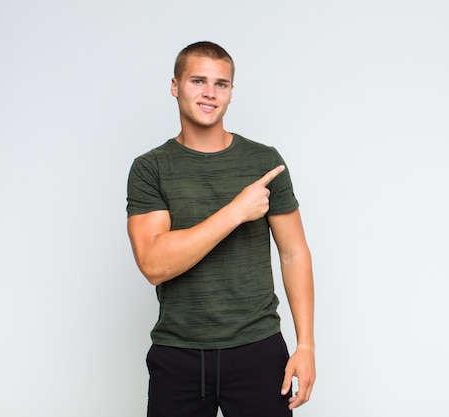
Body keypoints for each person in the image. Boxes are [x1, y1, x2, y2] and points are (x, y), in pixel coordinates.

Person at [126, 41, 315, 417]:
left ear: (230, 92)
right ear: (175, 85)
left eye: (221, 84)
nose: (210, 93)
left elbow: (294, 253)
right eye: (198, 81)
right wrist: (235, 211)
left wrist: (305, 346)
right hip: (177, 354)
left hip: (258, 350)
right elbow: (153, 264)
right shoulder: (151, 168)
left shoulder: (264, 161)